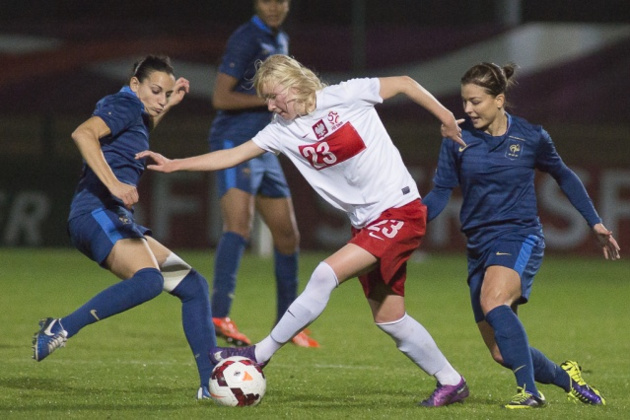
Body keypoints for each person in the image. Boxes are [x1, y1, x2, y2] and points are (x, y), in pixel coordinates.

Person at [137, 54, 471, 407]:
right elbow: (233, 155)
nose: (270, 105)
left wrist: (447, 119)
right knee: (390, 319)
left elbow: (404, 81)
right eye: (265, 98)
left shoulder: (345, 96)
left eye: (272, 95)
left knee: (325, 274)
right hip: (367, 223)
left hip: (399, 211)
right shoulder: (282, 130)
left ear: (293, 84)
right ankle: (451, 382)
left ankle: (259, 354)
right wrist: (176, 164)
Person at [422, 62, 621, 409]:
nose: (466, 109)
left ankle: (530, 393)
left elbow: (565, 176)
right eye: (464, 102)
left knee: (494, 302)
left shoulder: (531, 136)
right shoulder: (456, 138)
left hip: (519, 235)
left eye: (475, 102)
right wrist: (409, 221)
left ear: (499, 100)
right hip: (478, 246)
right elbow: (440, 192)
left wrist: (595, 222)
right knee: (501, 351)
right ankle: (568, 378)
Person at [31, 55, 218, 400]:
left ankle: (211, 384)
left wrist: (169, 105)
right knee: (149, 280)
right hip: (96, 210)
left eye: (166, 93)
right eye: (156, 91)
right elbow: (83, 134)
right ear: (135, 86)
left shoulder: (133, 112)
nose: (161, 99)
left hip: (110, 214)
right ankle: (61, 328)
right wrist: (116, 185)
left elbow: (134, 136)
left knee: (193, 286)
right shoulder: (124, 104)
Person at [208, 0, 317, 348]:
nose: (274, 7)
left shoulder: (279, 39)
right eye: (267, 0)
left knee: (287, 236)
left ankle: (290, 323)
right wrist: (272, 100)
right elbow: (221, 98)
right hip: (235, 140)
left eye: (280, 1)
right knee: (238, 225)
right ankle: (218, 314)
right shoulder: (246, 38)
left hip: (266, 147)